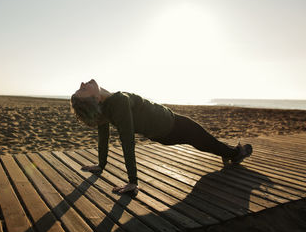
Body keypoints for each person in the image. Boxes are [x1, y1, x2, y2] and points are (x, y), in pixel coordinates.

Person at [70, 79, 252, 194]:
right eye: (82, 91)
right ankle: (236, 154)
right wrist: (133, 182)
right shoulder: (117, 103)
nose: (82, 84)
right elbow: (127, 140)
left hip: (166, 130)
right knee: (206, 141)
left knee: (206, 142)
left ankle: (227, 152)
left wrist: (101, 165)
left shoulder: (108, 107)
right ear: (94, 99)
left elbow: (104, 138)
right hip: (174, 126)